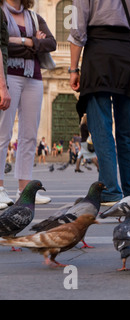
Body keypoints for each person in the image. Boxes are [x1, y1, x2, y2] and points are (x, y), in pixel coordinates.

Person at [68, 0, 130, 205]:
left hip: (97, 56)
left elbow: (78, 31)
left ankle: (109, 189)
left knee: (101, 128)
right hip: (127, 58)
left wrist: (73, 69)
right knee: (127, 132)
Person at [0, 0, 54, 206]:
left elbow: (51, 43)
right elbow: (2, 44)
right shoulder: (1, 14)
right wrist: (32, 42)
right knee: (3, 133)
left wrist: (21, 41)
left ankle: (25, 189)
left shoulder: (34, 17)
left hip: (34, 76)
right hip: (8, 75)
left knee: (29, 135)